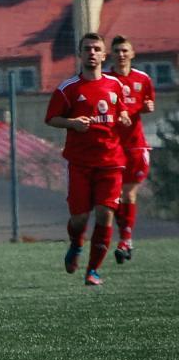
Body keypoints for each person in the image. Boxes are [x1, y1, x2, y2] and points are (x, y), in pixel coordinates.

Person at [45, 33, 131, 286]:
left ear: (104, 55)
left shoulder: (115, 85)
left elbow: (121, 108)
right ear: (80, 55)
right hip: (80, 164)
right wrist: (72, 123)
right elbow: (50, 119)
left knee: (105, 215)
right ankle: (75, 243)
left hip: (111, 162)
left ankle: (93, 270)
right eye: (87, 49)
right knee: (80, 219)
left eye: (96, 49)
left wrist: (124, 116)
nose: (92, 53)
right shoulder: (68, 88)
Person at [103, 36, 155, 264]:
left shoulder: (142, 78)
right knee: (112, 199)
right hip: (110, 146)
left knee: (128, 194)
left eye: (125, 50)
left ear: (132, 54)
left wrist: (147, 108)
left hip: (135, 146)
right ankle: (124, 239)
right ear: (111, 55)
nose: (121, 54)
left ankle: (125, 240)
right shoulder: (105, 80)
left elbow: (148, 103)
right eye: (117, 51)